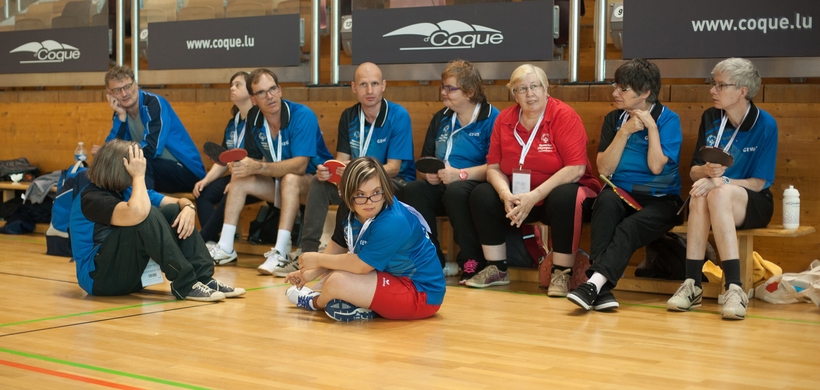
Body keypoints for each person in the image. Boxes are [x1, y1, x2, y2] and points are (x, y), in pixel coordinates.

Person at [467, 64, 602, 289]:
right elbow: (494, 167)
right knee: (481, 194)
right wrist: (505, 194)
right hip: (520, 198)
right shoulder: (505, 120)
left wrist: (534, 195)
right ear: (514, 94)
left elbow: (576, 168)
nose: (529, 94)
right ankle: (497, 268)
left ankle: (561, 273)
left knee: (565, 196)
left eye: (535, 86)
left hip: (561, 196)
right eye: (522, 89)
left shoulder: (564, 115)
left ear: (546, 89)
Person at [566, 59, 683, 310]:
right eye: (615, 86)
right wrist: (625, 131)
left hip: (661, 200)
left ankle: (593, 284)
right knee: (605, 204)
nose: (615, 93)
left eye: (623, 89)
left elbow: (655, 167)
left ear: (645, 93)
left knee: (628, 228)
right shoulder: (614, 119)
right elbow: (604, 170)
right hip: (620, 192)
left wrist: (651, 128)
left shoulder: (668, 120)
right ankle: (601, 289)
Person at [667, 58, 777, 320]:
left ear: (742, 91)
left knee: (715, 192)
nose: (712, 90)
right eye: (712, 84)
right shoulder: (711, 117)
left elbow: (758, 183)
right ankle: (692, 284)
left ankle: (734, 287)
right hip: (714, 196)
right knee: (700, 192)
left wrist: (721, 181)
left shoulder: (765, 124)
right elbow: (694, 171)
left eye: (720, 85)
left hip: (753, 201)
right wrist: (707, 172)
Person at [70, 140, 245, 301]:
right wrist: (139, 177)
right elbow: (137, 213)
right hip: (100, 278)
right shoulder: (91, 197)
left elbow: (177, 202)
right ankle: (186, 284)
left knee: (174, 211)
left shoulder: (127, 190)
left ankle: (204, 279)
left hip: (130, 276)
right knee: (147, 214)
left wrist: (188, 209)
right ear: (120, 167)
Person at [284, 157, 445, 322]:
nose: (369, 202)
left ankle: (313, 302)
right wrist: (310, 273)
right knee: (330, 281)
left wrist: (317, 259)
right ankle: (362, 305)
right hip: (386, 275)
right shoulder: (347, 209)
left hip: (421, 293)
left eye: (376, 192)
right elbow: (338, 245)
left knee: (336, 282)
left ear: (385, 189)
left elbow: (360, 266)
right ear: (346, 193)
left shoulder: (394, 221)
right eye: (360, 194)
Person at [207, 69, 333, 276]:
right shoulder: (254, 119)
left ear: (280, 90)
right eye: (262, 93)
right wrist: (243, 166)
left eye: (273, 89)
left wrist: (258, 167)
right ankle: (225, 247)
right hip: (280, 184)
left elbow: (300, 165)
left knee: (291, 179)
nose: (269, 96)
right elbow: (255, 159)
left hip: (317, 186)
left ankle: (281, 252)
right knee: (239, 179)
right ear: (254, 99)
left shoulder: (302, 116)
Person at [299, 62, 415, 257]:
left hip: (392, 183)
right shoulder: (349, 116)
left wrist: (356, 173)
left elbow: (394, 168)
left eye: (375, 84)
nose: (370, 90)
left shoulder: (398, 115)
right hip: (357, 183)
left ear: (383, 86)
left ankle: (352, 254)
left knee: (360, 194)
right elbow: (342, 160)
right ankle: (307, 253)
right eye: (363, 84)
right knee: (318, 184)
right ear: (353, 87)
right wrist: (329, 171)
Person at [399, 59, 499, 283]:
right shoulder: (441, 118)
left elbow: (496, 167)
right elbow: (426, 160)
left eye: (450, 88)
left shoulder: (492, 118)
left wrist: (459, 174)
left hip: (474, 183)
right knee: (413, 190)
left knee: (457, 191)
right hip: (442, 183)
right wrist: (430, 175)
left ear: (470, 92)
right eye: (442, 86)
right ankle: (431, 259)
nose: (443, 92)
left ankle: (472, 260)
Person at [97, 66, 206, 193]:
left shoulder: (154, 104)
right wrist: (121, 117)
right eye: (117, 90)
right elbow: (111, 153)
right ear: (109, 94)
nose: (124, 94)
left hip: (186, 172)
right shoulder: (120, 113)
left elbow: (152, 149)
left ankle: (142, 209)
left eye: (127, 86)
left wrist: (120, 155)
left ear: (136, 84)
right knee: (113, 169)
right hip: (156, 172)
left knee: (140, 163)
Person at [192, 72, 258, 256]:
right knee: (203, 191)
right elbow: (224, 159)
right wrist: (205, 180)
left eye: (237, 85)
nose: (232, 88)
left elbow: (260, 159)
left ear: (250, 90)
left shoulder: (259, 119)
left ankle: (201, 240)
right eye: (231, 85)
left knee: (229, 192)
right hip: (236, 174)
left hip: (257, 176)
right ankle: (211, 243)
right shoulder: (233, 124)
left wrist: (235, 181)